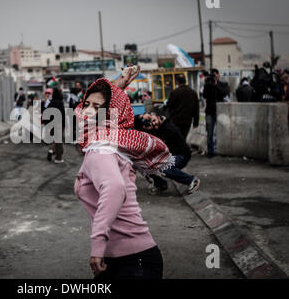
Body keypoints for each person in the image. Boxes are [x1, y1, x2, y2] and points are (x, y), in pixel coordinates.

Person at [74, 78, 174, 279]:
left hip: (133, 263)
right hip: (130, 260)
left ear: (109, 114)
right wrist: (116, 85)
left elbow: (114, 188)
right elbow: (79, 113)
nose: (86, 111)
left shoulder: (101, 148)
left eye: (96, 107)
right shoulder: (114, 142)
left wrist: (98, 245)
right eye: (87, 105)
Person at [134, 113, 200, 195]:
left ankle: (192, 180)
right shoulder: (154, 128)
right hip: (168, 155)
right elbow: (133, 123)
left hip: (181, 155)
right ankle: (160, 185)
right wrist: (140, 117)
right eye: (151, 122)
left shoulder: (168, 128)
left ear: (159, 117)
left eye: (154, 120)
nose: (154, 123)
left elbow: (161, 148)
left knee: (163, 166)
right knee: (143, 164)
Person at [165, 74, 199, 140]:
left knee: (176, 139)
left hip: (175, 121)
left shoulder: (174, 92)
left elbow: (169, 105)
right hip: (187, 121)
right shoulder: (193, 93)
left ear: (178, 82)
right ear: (185, 81)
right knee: (183, 138)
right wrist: (196, 122)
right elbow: (196, 108)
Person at [203, 74, 228, 158]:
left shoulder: (222, 85)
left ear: (218, 76)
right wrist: (210, 85)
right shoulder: (208, 85)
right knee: (209, 133)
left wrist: (216, 85)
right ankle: (210, 152)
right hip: (210, 111)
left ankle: (220, 150)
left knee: (221, 132)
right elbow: (204, 95)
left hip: (219, 112)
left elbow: (224, 93)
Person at [45, 88, 66, 163]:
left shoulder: (51, 103)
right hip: (59, 124)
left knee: (55, 140)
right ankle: (58, 158)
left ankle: (51, 150)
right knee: (59, 141)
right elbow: (63, 115)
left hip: (52, 125)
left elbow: (46, 113)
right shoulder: (60, 103)